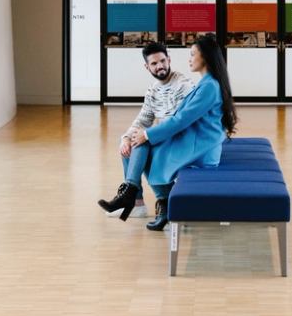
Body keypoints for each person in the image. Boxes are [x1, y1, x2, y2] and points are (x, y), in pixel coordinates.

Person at [129, 33, 237, 232]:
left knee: (147, 149)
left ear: (204, 57)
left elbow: (181, 120)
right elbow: (180, 118)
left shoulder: (208, 87)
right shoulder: (208, 83)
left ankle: (164, 206)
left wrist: (148, 134)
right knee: (143, 147)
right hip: (199, 139)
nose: (189, 59)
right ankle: (150, 200)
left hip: (202, 148)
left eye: (192, 54)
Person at [98, 42, 196, 221]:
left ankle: (152, 198)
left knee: (142, 143)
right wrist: (126, 138)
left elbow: (179, 122)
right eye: (154, 63)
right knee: (129, 145)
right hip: (165, 137)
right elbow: (143, 118)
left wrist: (147, 135)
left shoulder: (183, 85)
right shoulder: (153, 89)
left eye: (162, 61)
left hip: (183, 139)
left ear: (169, 60)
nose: (160, 66)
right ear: (147, 66)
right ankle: (137, 203)